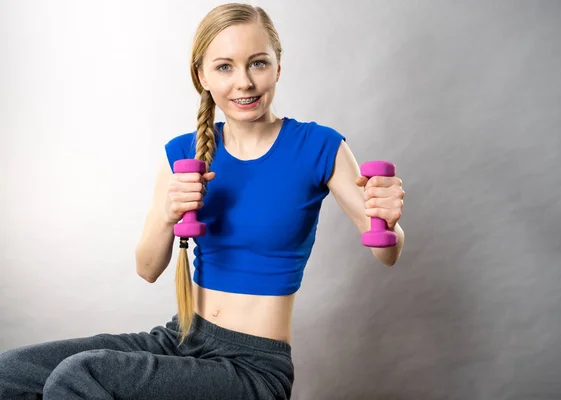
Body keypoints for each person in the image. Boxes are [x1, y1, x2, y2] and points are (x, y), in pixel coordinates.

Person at [0, 3, 405, 400]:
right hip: (181, 337)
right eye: (225, 66)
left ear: (278, 67)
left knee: (80, 375)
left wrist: (388, 220)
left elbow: (386, 252)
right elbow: (146, 269)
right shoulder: (184, 153)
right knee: (11, 372)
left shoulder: (319, 147)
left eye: (258, 63)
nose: (243, 82)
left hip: (253, 367)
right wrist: (167, 213)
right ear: (202, 76)